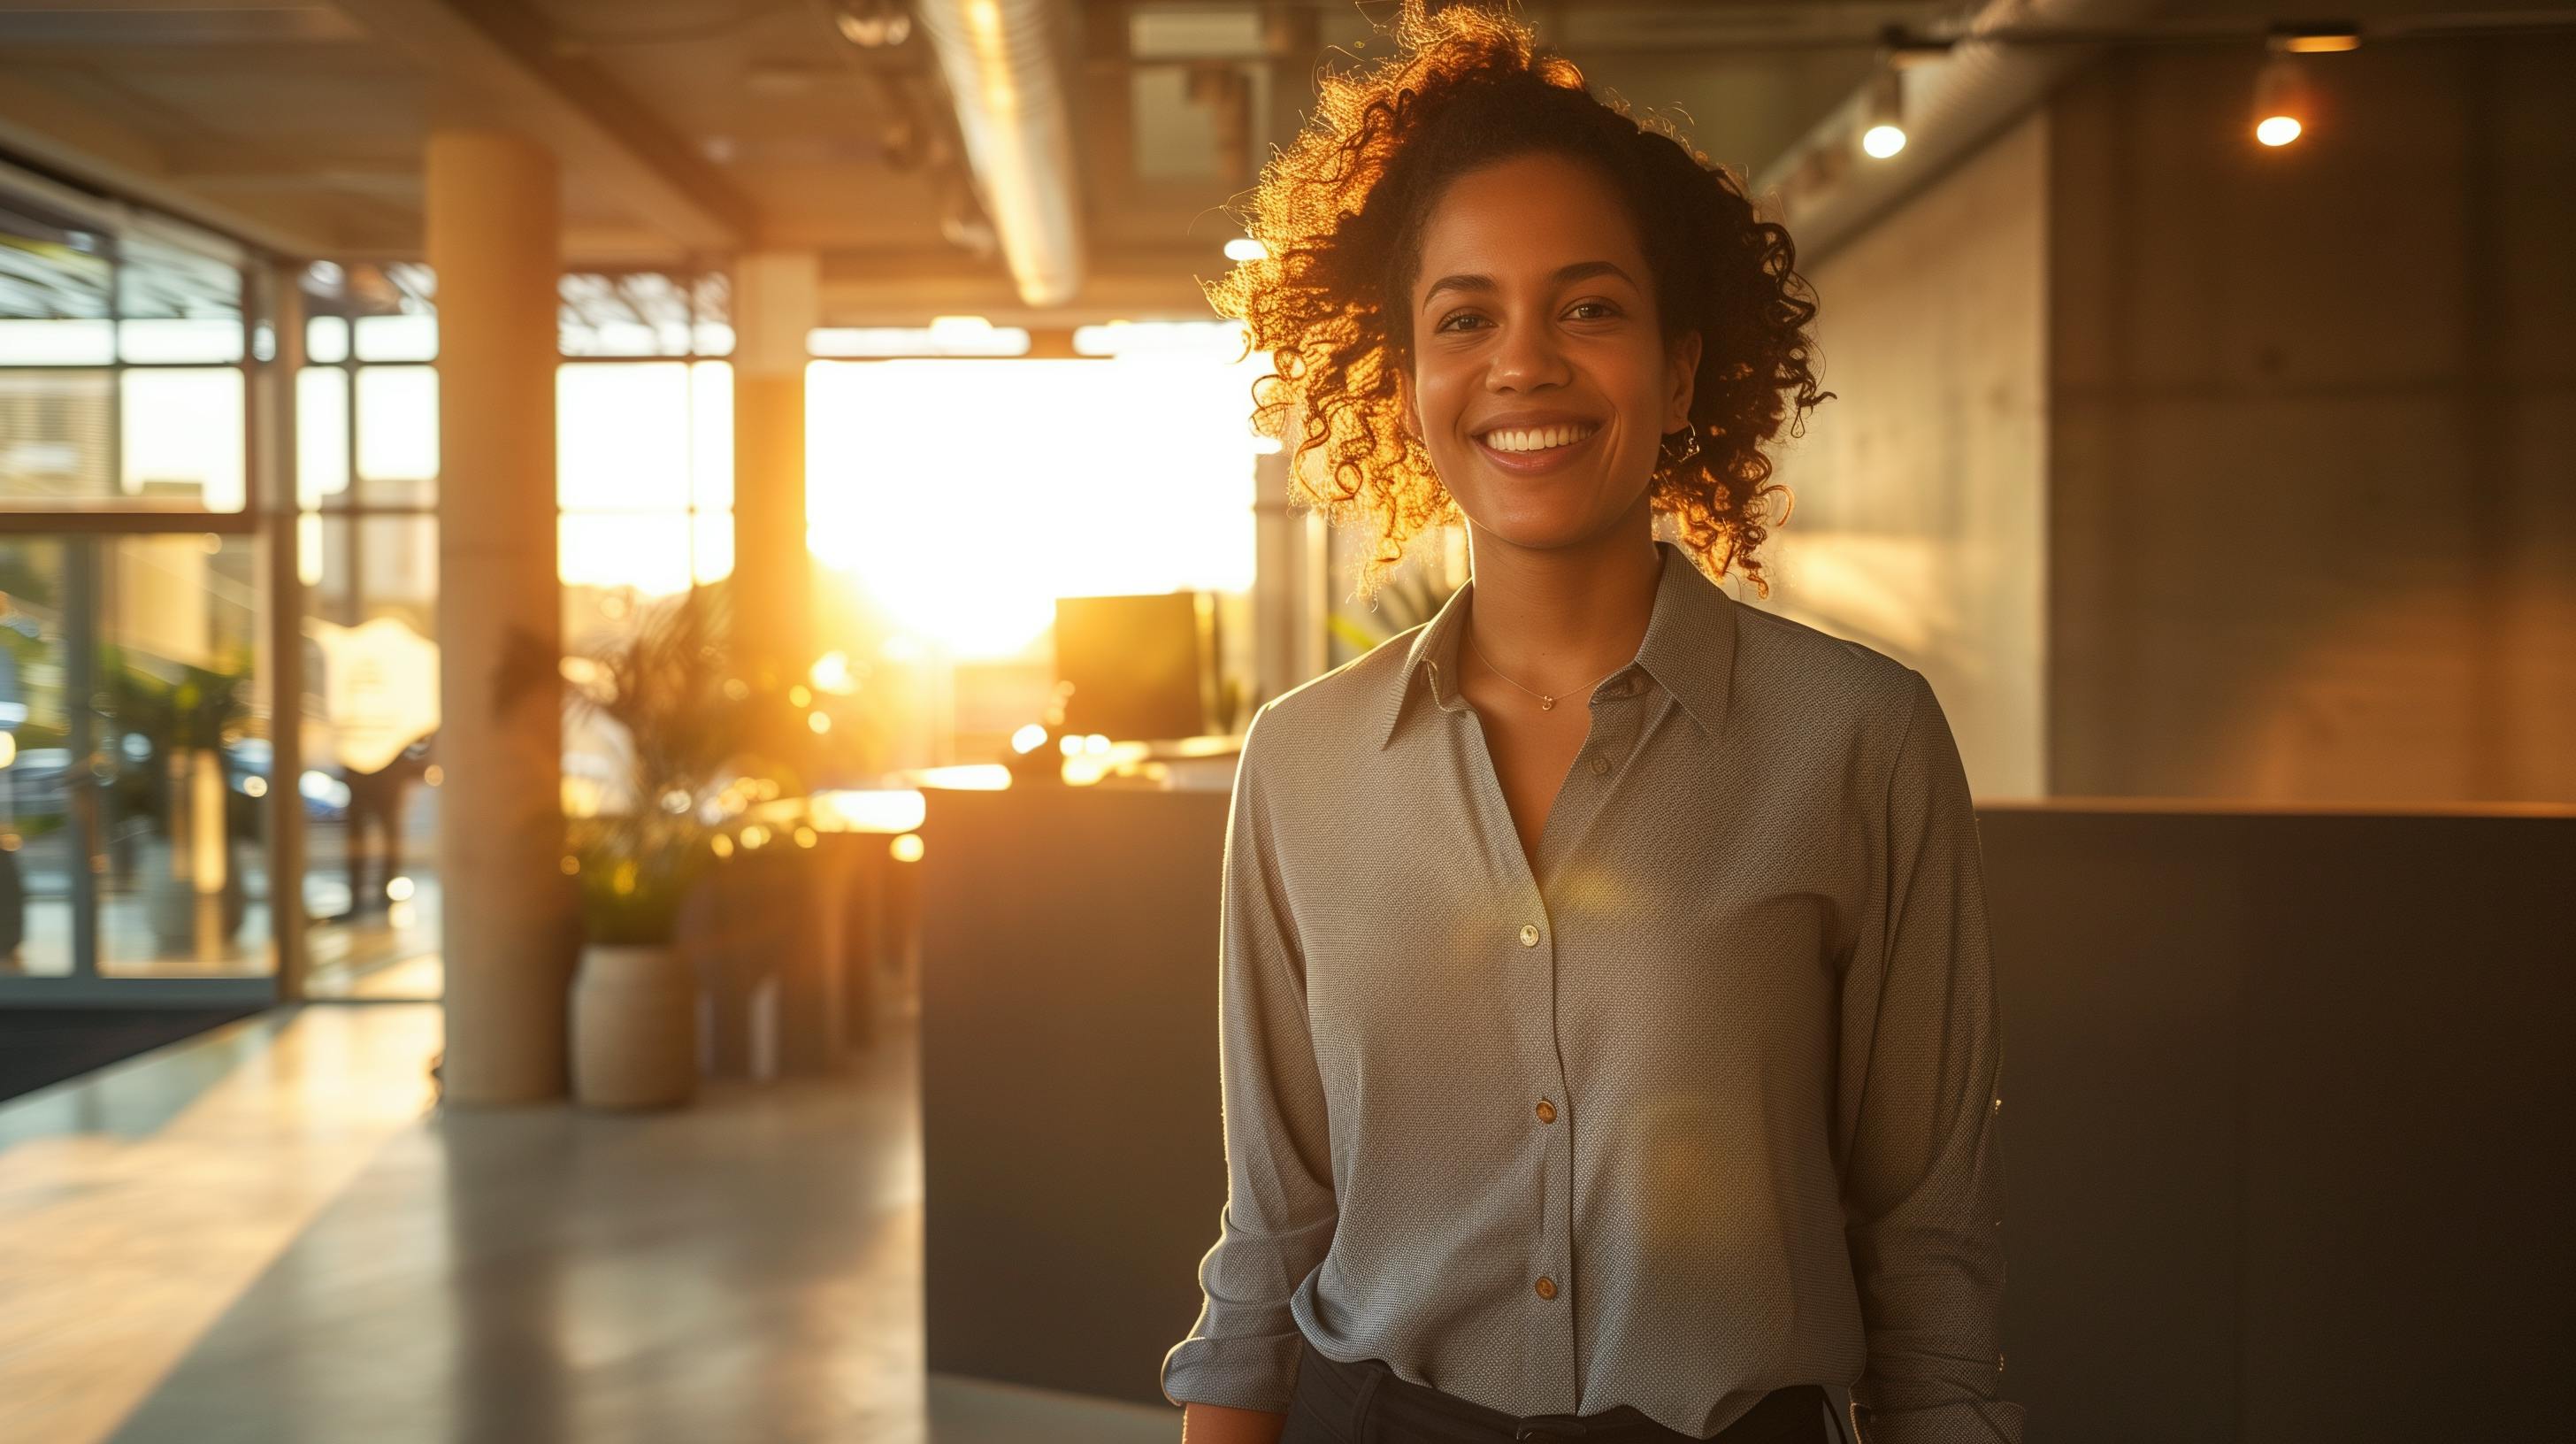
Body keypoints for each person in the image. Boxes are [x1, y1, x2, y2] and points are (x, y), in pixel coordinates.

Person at [1158, 5, 2022, 1444]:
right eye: (1465, 317)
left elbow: (1927, 1252)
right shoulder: (1301, 766)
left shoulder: (1860, 740)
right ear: (1412, 381)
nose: (1524, 364)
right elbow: (1271, 1230)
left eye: (1590, 306)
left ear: (1682, 372)